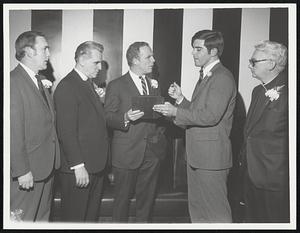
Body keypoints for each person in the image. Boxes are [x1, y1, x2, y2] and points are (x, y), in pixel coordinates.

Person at [153, 30, 237, 223]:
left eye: (198, 49)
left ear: (214, 51)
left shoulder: (222, 77)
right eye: (193, 48)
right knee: (199, 213)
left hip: (211, 160)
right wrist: (181, 100)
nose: (193, 53)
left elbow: (210, 116)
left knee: (217, 215)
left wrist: (175, 112)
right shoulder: (207, 76)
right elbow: (199, 112)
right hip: (200, 158)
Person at [104, 41, 167, 223]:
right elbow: (107, 117)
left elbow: (158, 119)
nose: (153, 60)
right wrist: (125, 117)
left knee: (146, 204)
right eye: (148, 57)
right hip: (126, 153)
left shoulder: (154, 84)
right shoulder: (116, 85)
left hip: (152, 153)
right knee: (121, 203)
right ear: (134, 60)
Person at [54, 41, 108, 222]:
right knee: (75, 219)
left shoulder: (86, 83)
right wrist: (78, 166)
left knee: (89, 219)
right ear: (82, 60)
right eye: (96, 63)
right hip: (80, 168)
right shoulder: (68, 86)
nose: (100, 68)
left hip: (94, 166)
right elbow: (66, 132)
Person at [10, 31, 60, 221]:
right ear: (29, 51)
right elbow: (13, 132)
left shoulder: (38, 80)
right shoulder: (13, 82)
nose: (48, 54)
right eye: (44, 48)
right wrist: (22, 170)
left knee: (41, 220)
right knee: (22, 221)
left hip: (45, 168)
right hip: (28, 172)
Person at [241, 40, 289, 222]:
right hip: (252, 175)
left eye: (254, 61)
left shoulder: (291, 92)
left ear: (271, 64)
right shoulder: (257, 92)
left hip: (276, 180)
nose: (249, 65)